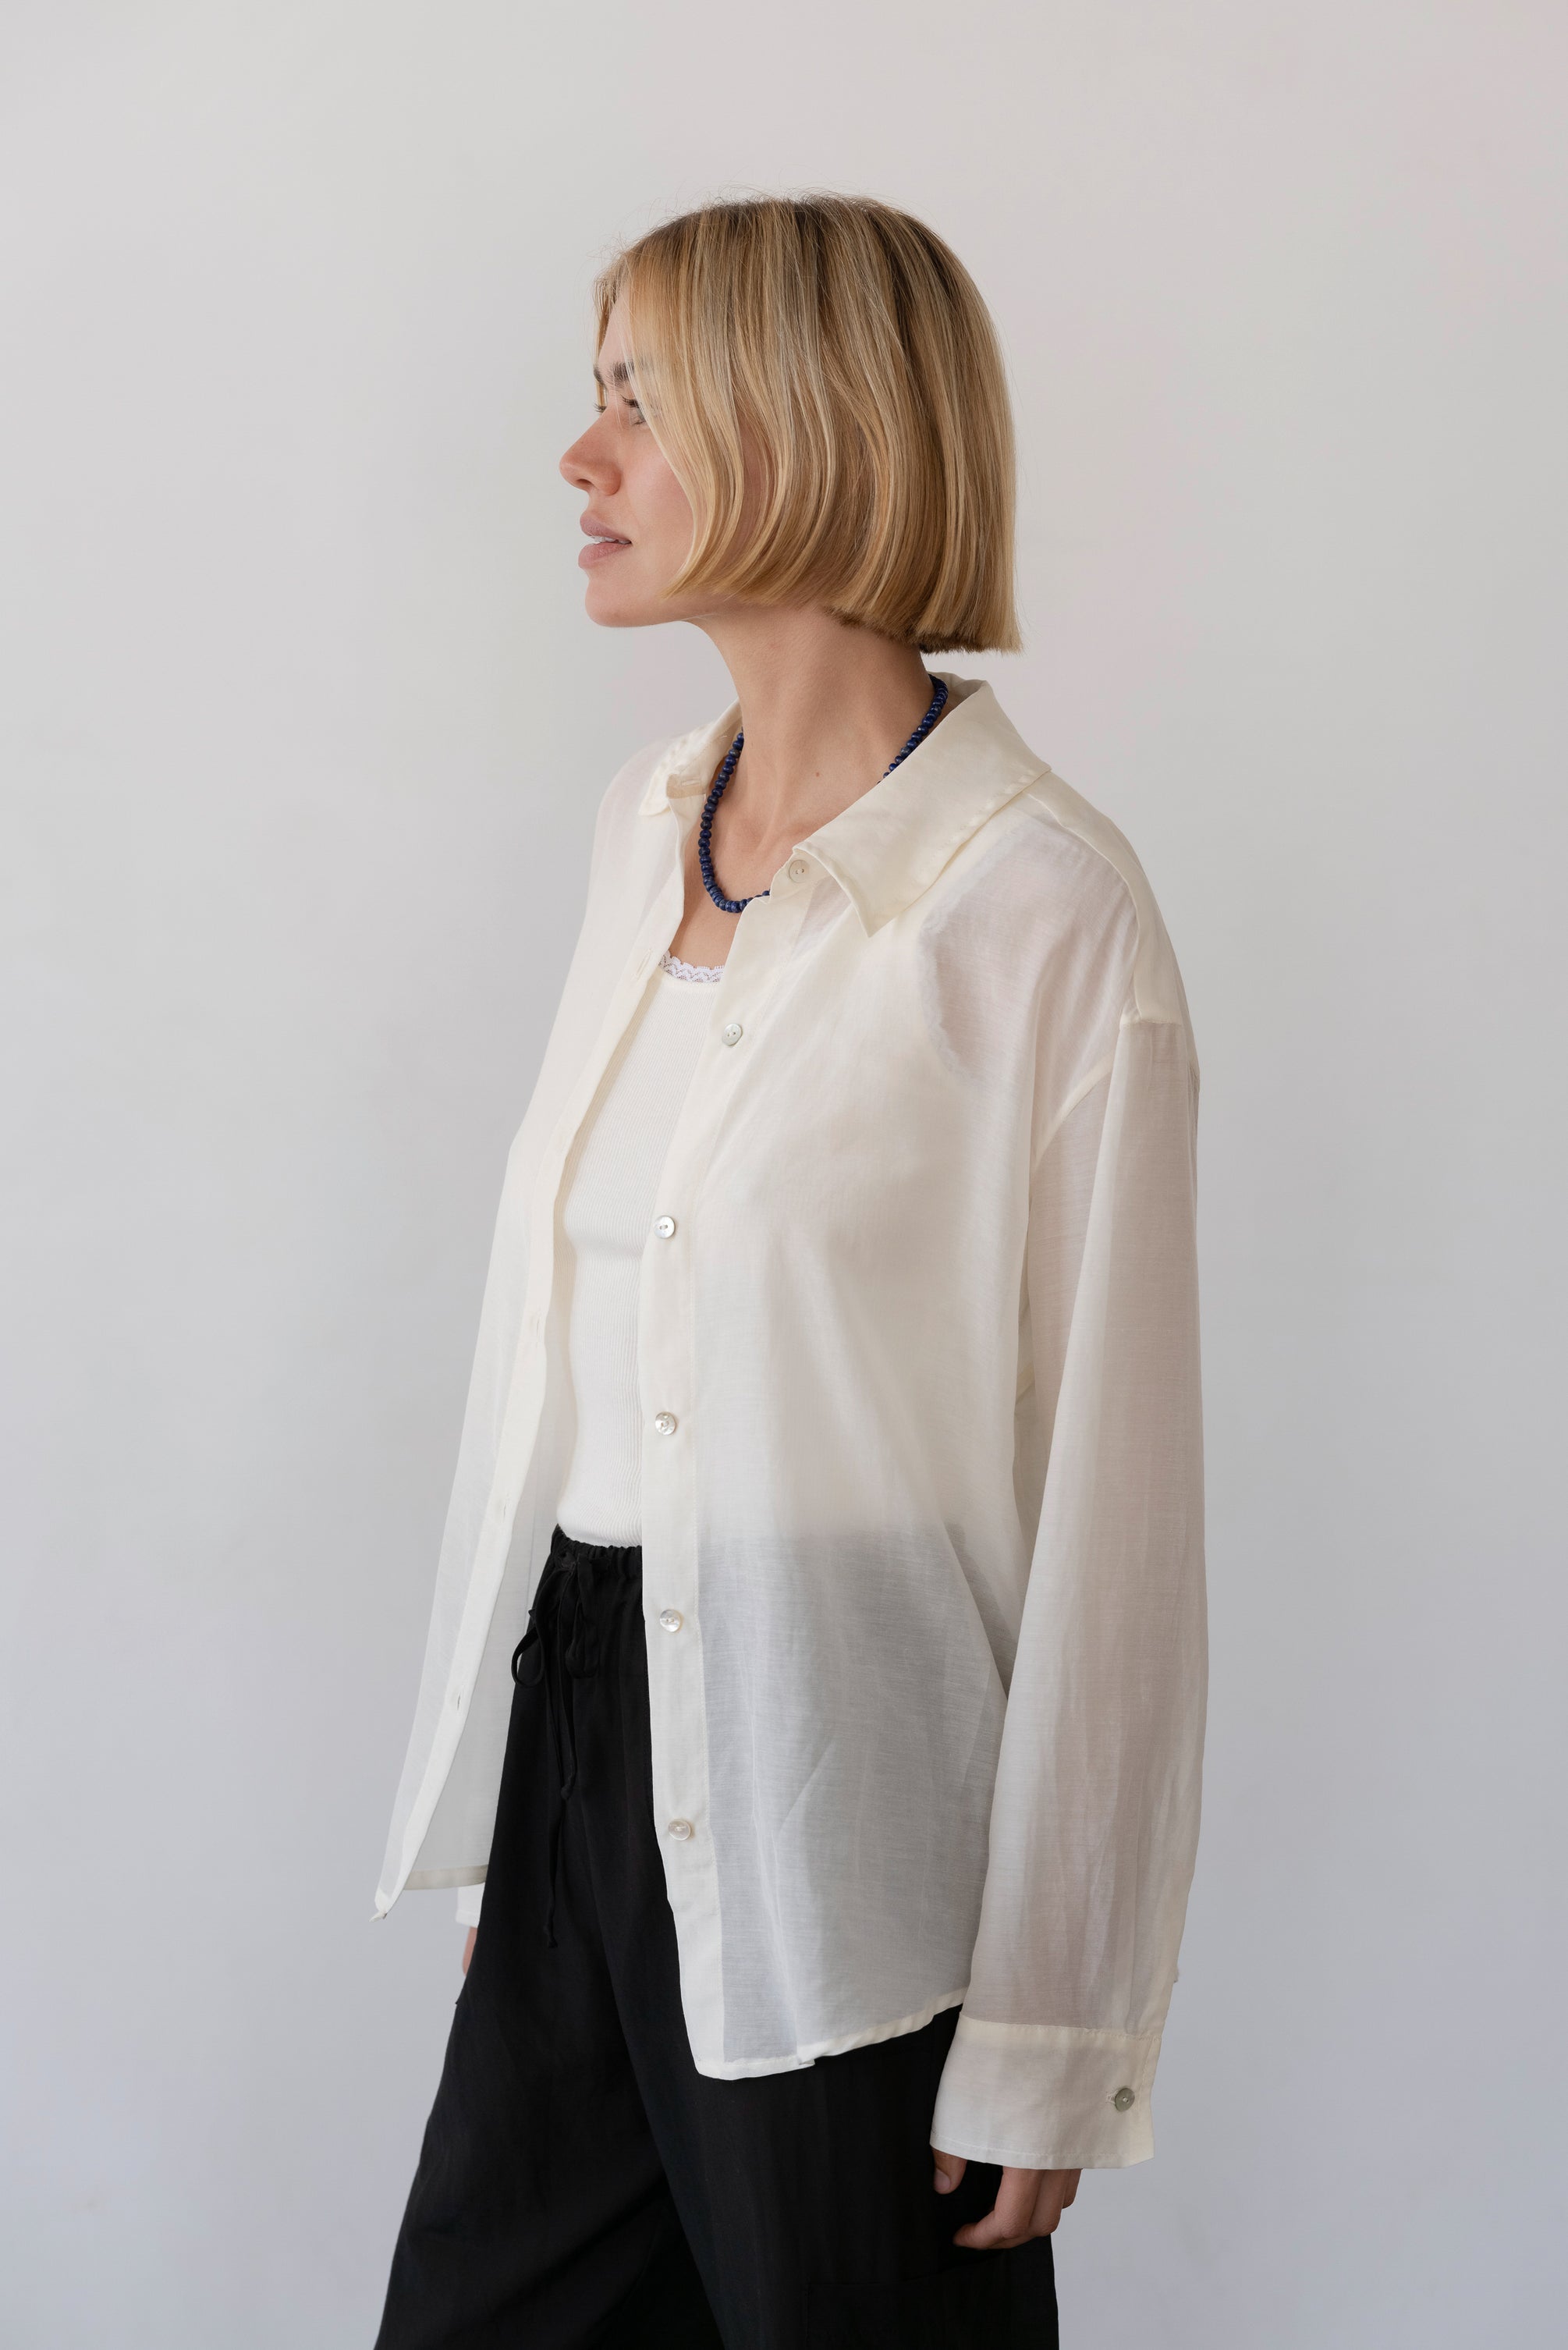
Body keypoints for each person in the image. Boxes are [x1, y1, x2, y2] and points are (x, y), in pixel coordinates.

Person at [370, 192, 1206, 2350]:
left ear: (807, 424)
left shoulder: (1043, 911)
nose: (582, 457)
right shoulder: (644, 822)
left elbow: (1115, 1515)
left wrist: (1057, 2021)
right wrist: (543, 1847)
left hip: (841, 1802)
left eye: (636, 402)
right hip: (586, 1732)